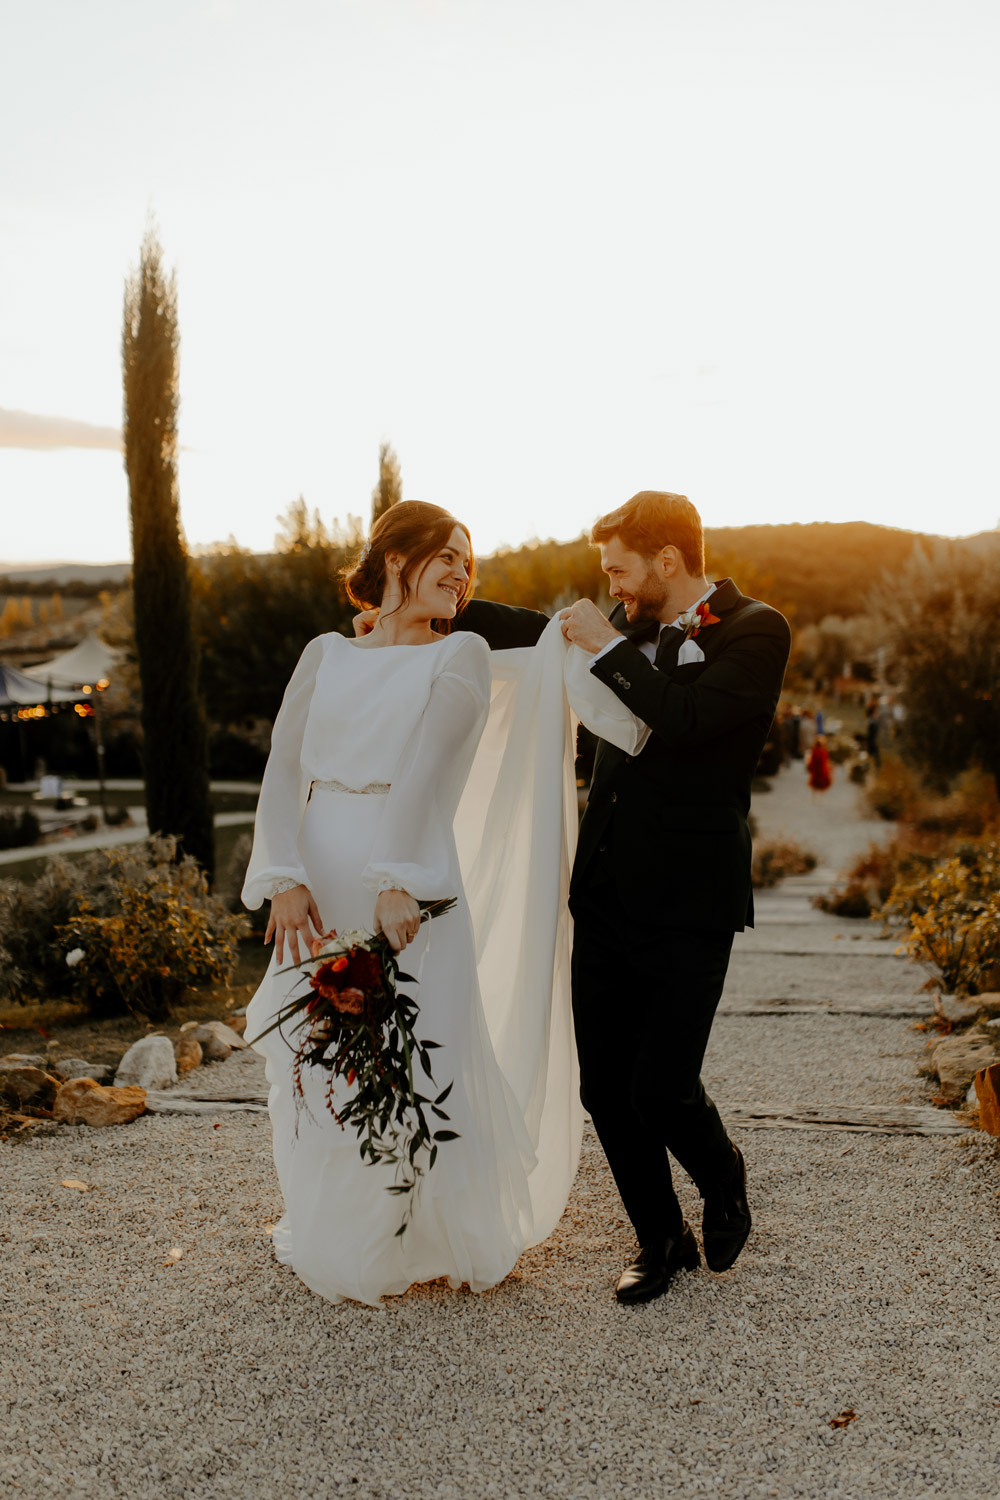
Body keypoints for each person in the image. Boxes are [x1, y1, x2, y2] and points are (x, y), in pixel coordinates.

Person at [242, 501, 645, 1306]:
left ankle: (417, 1231)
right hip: (316, 875)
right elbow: (284, 767)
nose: (463, 574)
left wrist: (398, 879)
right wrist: (282, 875)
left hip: (407, 877)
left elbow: (429, 773)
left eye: (469, 562)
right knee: (315, 1050)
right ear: (396, 556)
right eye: (448, 556)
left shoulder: (459, 654)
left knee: (416, 1046)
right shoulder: (324, 653)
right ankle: (336, 1220)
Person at [556, 492, 790, 1303]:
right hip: (607, 891)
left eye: (620, 570)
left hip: (692, 898)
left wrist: (605, 648)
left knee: (661, 1086)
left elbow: (686, 720)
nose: (613, 588)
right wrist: (407, 614)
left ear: (666, 560)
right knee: (603, 1088)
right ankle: (660, 1238)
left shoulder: (759, 629)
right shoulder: (627, 633)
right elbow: (524, 633)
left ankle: (723, 1173)